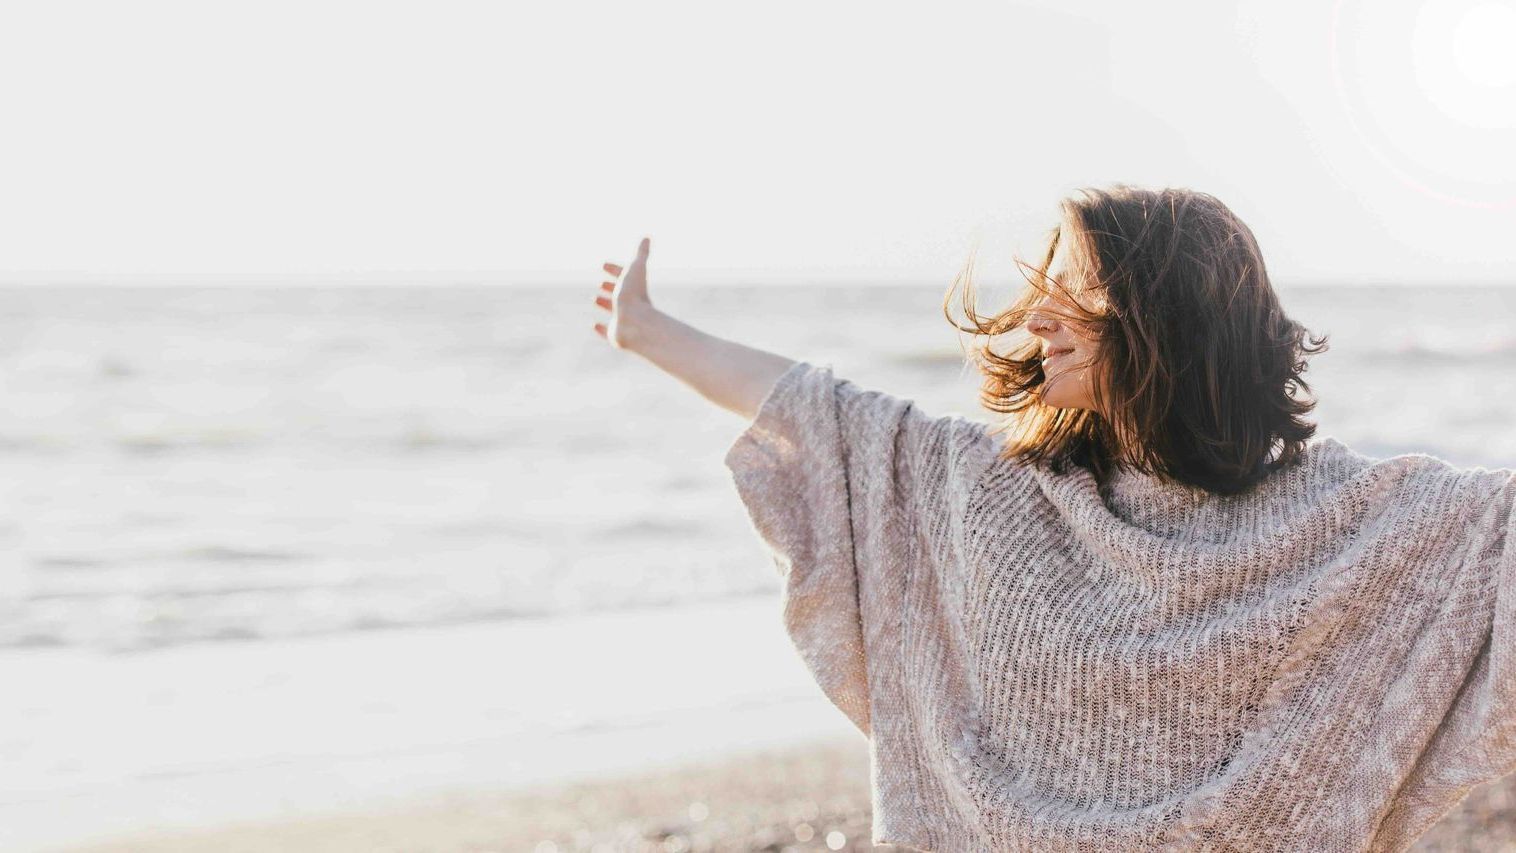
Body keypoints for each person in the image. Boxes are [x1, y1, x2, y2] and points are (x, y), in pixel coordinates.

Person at [589, 184, 1516, 852]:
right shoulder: (995, 491)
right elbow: (811, 412)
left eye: (1078, 287)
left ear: (1166, 318)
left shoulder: (1361, 519)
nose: (1039, 317)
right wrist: (649, 331)